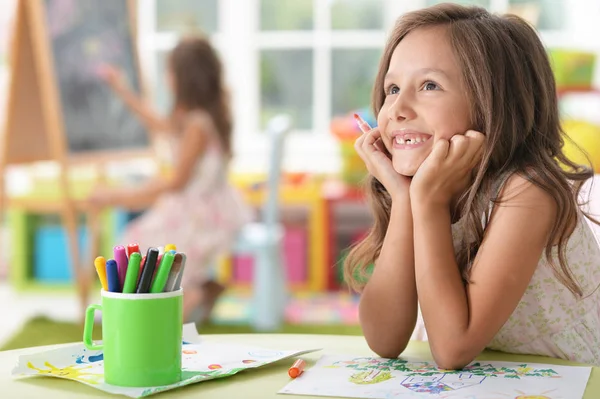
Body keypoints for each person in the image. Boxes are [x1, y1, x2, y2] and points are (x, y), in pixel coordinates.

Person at [344, 3, 600, 369]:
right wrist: (403, 199)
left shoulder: (527, 192)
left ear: (495, 103)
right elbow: (385, 339)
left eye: (429, 85)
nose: (397, 109)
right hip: (482, 378)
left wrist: (428, 205)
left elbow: (453, 349)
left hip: (567, 376)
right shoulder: (423, 186)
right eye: (393, 87)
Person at [90, 35, 251, 323]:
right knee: (140, 243)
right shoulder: (201, 117)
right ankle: (200, 290)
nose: (168, 79)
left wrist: (115, 197)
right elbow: (158, 124)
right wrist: (123, 89)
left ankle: (187, 297)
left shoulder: (197, 126)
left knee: (135, 244)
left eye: (170, 72)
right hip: (208, 207)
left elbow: (175, 182)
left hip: (199, 214)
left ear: (183, 79)